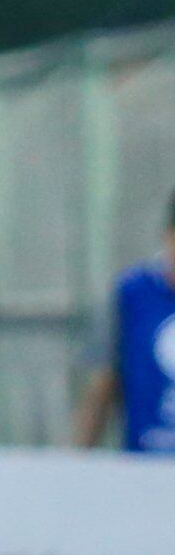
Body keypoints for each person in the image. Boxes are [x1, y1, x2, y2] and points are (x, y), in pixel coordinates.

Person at [68, 188, 175, 454]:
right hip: (143, 468)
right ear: (167, 236)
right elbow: (102, 383)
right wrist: (75, 463)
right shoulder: (133, 294)